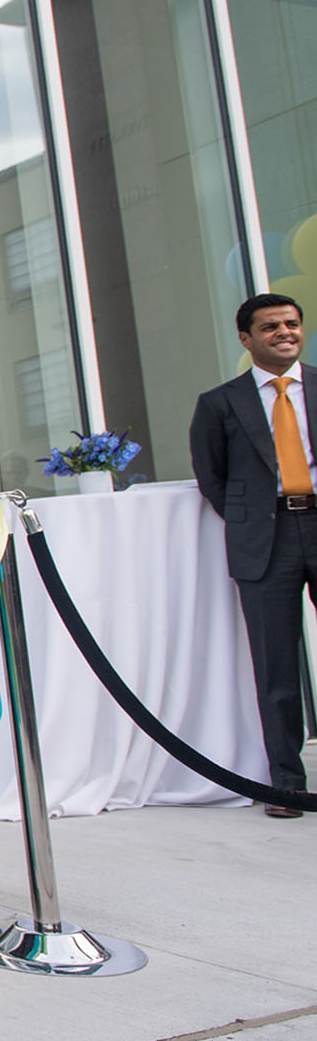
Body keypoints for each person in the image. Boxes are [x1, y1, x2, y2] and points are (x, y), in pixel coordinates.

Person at [191, 291, 317, 818]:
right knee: (277, 670)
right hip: (268, 543)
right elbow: (212, 479)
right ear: (246, 339)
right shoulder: (220, 403)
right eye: (270, 327)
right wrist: (257, 518)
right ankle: (286, 786)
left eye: (291, 324)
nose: (284, 332)